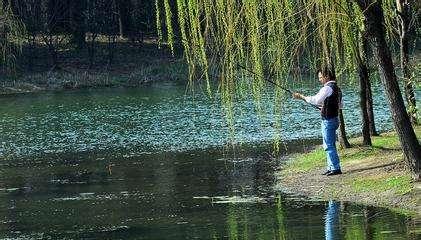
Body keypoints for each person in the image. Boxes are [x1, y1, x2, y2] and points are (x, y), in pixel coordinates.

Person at [292, 67, 343, 176]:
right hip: (334, 119)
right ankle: (331, 167)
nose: (319, 80)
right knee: (329, 144)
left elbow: (316, 100)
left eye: (320, 77)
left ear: (327, 76)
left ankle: (335, 168)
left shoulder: (327, 88)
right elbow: (340, 105)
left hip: (328, 120)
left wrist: (302, 97)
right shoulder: (337, 88)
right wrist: (324, 107)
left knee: (328, 145)